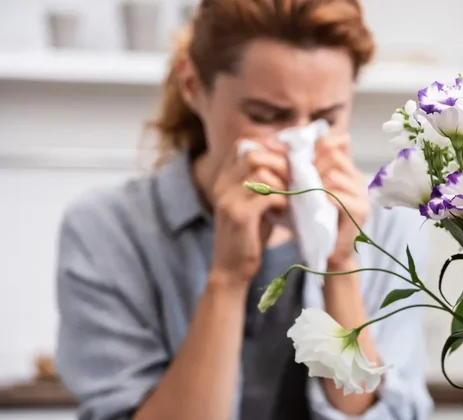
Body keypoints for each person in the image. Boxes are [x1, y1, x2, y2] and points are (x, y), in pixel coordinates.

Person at [53, 1, 433, 419]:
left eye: (326, 118)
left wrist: (341, 264)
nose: (300, 142)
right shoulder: (107, 232)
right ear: (194, 85)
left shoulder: (385, 219)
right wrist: (227, 280)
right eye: (267, 116)